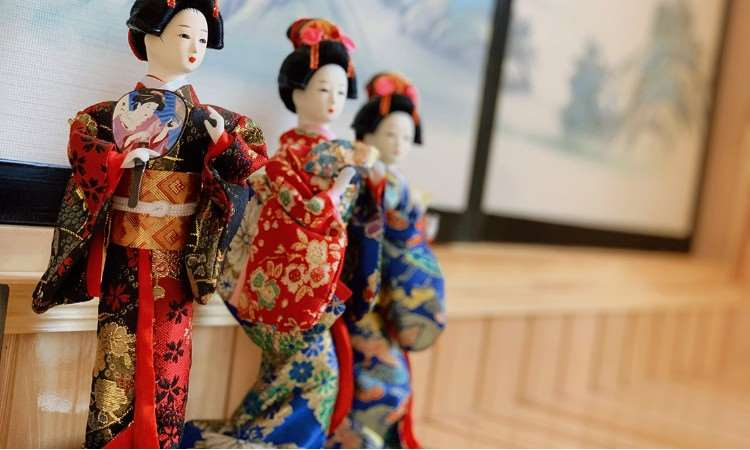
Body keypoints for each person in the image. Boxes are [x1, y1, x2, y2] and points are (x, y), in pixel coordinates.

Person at [31, 1, 268, 447]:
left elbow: (251, 169)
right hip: (124, 258)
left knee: (170, 361)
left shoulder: (213, 121)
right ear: (149, 37)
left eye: (202, 38)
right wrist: (117, 160)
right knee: (115, 355)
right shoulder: (105, 117)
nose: (195, 46)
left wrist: (223, 143)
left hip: (176, 263)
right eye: (184, 34)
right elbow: (83, 151)